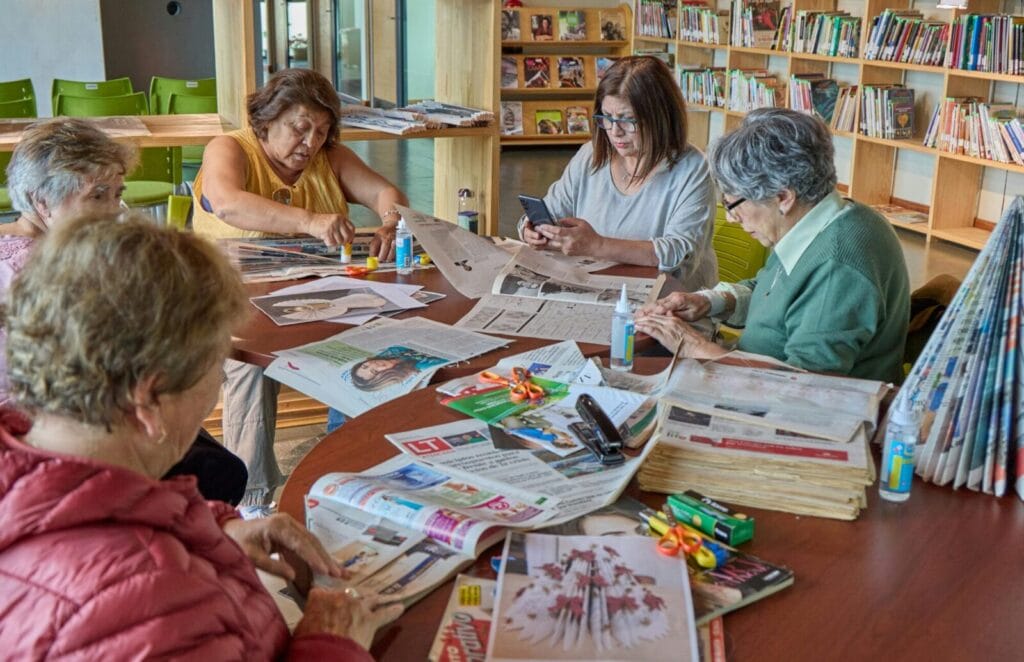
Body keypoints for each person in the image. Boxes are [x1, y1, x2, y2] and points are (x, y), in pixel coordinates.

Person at [0, 212, 402, 658]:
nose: (221, 383)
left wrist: (212, 530)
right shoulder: (151, 607)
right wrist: (331, 641)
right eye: (215, 366)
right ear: (149, 400)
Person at [1, 117, 248, 504]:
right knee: (221, 470)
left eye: (117, 194)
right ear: (41, 202)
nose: (114, 211)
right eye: (97, 196)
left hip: (46, 424)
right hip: (48, 429)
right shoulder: (55, 267)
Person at [194, 69, 409, 506]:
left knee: (377, 337)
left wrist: (391, 223)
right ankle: (251, 498)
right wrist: (309, 221)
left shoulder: (330, 157)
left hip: (317, 295)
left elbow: (385, 193)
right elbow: (228, 203)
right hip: (233, 297)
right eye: (300, 128)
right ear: (266, 121)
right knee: (251, 362)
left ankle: (347, 468)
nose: (311, 142)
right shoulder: (231, 148)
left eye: (322, 131)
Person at [636, 108, 910, 383]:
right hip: (751, 374)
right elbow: (774, 290)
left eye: (733, 204)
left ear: (783, 198)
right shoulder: (825, 219)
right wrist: (709, 301)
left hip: (782, 397)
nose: (730, 218)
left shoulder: (836, 269)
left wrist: (693, 346)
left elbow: (802, 386)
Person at [519, 56, 718, 291]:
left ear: (660, 118)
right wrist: (531, 230)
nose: (615, 131)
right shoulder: (591, 154)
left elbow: (678, 254)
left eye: (627, 120)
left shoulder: (693, 168)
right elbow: (552, 210)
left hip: (668, 299)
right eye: (606, 117)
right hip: (598, 287)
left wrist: (597, 245)